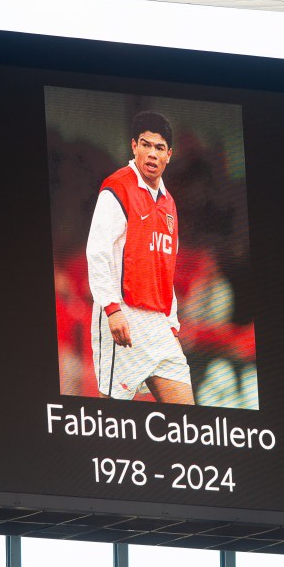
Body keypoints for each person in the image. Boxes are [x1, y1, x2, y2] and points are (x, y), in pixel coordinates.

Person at [86, 111, 193, 405]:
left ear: (169, 155)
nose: (152, 154)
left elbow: (165, 269)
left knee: (189, 419)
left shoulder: (169, 203)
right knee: (110, 422)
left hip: (158, 326)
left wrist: (171, 325)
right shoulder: (118, 186)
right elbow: (97, 251)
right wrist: (112, 309)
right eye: (146, 145)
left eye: (159, 148)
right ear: (134, 146)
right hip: (122, 317)